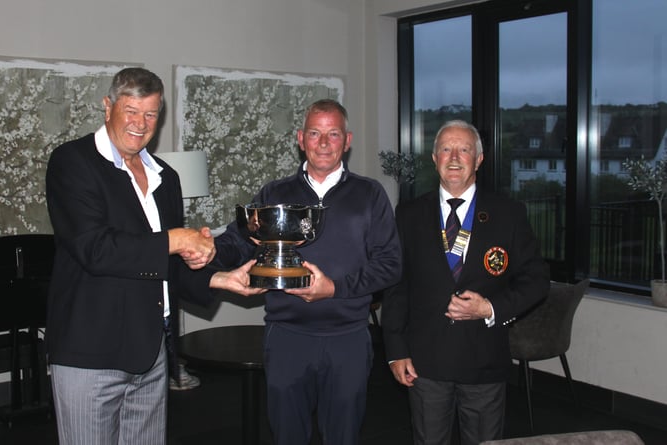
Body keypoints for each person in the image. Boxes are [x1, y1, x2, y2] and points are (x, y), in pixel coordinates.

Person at [45, 67, 263, 445]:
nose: (140, 123)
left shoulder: (166, 177)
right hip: (91, 354)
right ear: (107, 106)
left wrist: (215, 278)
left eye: (150, 114)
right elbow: (96, 250)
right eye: (130, 110)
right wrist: (176, 238)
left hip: (151, 351)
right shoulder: (72, 162)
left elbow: (159, 266)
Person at [213, 99, 402, 445]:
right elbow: (238, 241)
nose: (324, 143)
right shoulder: (274, 193)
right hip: (287, 337)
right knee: (287, 436)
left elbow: (390, 266)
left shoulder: (370, 194)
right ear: (301, 138)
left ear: (348, 141)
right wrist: (207, 250)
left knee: (343, 437)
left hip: (348, 339)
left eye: (334, 134)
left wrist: (335, 288)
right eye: (315, 133)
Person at [381, 120, 550, 445]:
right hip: (425, 364)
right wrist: (396, 350)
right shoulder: (408, 214)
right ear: (434, 158)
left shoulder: (509, 214)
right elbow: (396, 287)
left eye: (464, 149)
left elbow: (537, 281)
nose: (454, 157)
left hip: (484, 363)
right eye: (446, 149)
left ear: (479, 159)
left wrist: (491, 307)